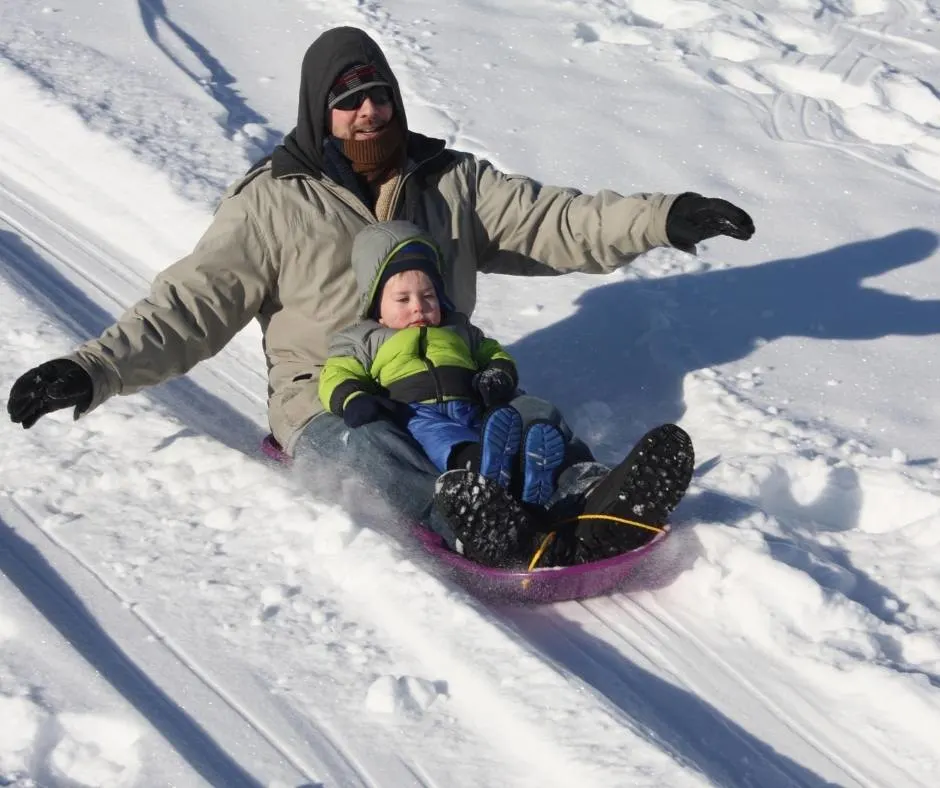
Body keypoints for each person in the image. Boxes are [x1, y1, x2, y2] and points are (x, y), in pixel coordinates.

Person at [6, 26, 751, 569]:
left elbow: (555, 220)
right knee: (369, 447)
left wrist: (662, 215)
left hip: (448, 374)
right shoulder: (272, 204)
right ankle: (463, 516)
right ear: (317, 111)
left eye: (379, 96)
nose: (368, 113)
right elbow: (191, 305)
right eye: (349, 100)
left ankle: (596, 498)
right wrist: (94, 369)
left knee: (524, 419)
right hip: (334, 397)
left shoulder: (448, 180)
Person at [320, 219, 567, 508]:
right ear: (378, 308)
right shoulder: (364, 339)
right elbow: (335, 373)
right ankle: (479, 477)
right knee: (446, 441)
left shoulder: (460, 331)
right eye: (402, 299)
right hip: (416, 415)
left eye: (428, 296)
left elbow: (493, 353)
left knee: (504, 430)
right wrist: (354, 398)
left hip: (472, 408)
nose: (418, 306)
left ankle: (532, 479)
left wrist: (497, 373)